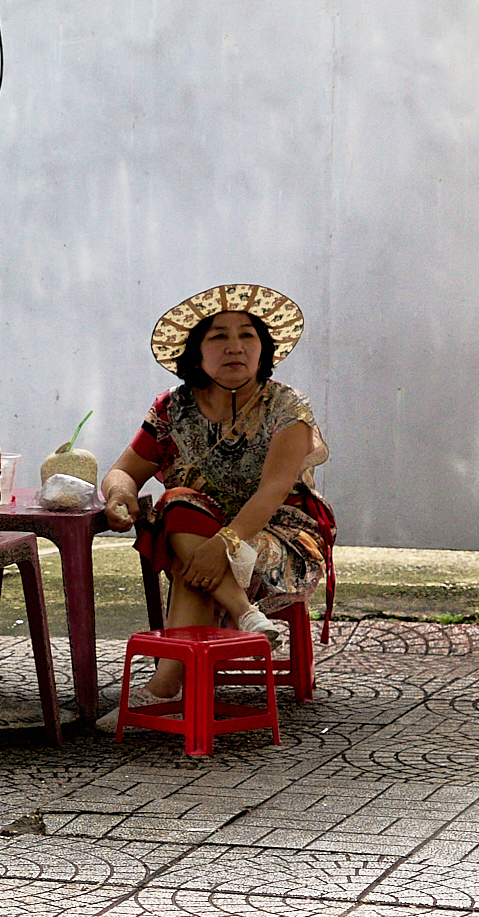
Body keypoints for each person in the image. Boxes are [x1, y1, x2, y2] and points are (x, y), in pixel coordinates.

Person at [98, 284, 330, 730]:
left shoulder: (289, 409)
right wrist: (118, 495)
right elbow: (124, 471)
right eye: (218, 337)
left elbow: (271, 494)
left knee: (192, 558)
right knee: (177, 502)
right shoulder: (172, 407)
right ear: (195, 353)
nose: (235, 347)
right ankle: (246, 614)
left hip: (281, 534)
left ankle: (164, 687)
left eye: (247, 335)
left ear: (263, 349)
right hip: (196, 531)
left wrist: (221, 543)